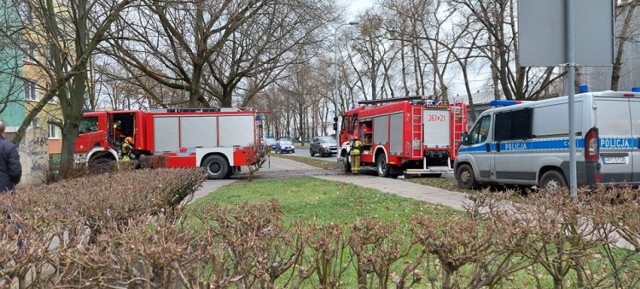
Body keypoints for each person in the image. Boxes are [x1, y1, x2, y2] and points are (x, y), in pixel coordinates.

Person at [0, 120, 22, 193]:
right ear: (4, 131)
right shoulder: (10, 147)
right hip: (4, 189)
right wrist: (12, 182)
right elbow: (15, 172)